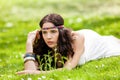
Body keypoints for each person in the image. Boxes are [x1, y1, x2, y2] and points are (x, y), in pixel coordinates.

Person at [17, 13, 120, 75]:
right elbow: (29, 71)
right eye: (44, 32)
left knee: (112, 43)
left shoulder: (75, 40)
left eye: (53, 31)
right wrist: (29, 44)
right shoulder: (42, 42)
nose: (48, 37)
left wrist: (37, 73)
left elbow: (68, 68)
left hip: (91, 41)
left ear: (60, 32)